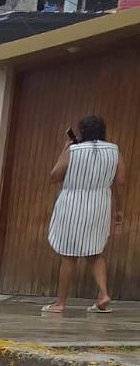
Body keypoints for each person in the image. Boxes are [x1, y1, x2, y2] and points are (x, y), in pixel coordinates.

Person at [45, 114, 125, 313]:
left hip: (73, 204)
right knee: (95, 252)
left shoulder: (73, 150)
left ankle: (60, 303)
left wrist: (64, 150)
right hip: (100, 205)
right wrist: (119, 209)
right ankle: (104, 294)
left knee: (69, 255)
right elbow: (120, 181)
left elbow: (54, 176)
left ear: (82, 132)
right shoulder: (114, 150)